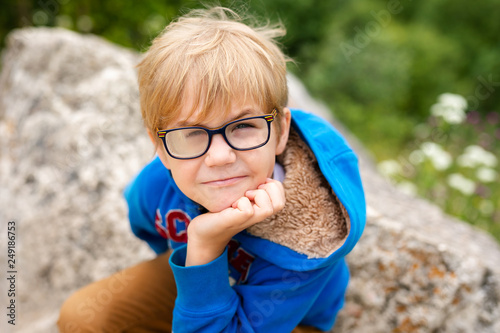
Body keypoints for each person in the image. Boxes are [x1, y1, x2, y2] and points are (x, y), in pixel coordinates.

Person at [58, 6, 366, 333]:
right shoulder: (155, 185)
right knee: (82, 317)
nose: (219, 157)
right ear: (160, 147)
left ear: (280, 131)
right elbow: (146, 224)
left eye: (243, 127)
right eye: (191, 133)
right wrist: (200, 262)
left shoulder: (308, 242)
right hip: (204, 276)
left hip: (286, 317)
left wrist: (205, 245)